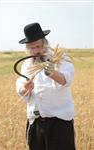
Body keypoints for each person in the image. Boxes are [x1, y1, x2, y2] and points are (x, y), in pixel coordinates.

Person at [16, 22, 76, 150]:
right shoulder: (27, 64)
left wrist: (52, 73)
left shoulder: (60, 58)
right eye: (32, 48)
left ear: (45, 43)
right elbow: (20, 87)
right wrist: (25, 88)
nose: (36, 51)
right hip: (35, 122)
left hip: (59, 122)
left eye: (38, 46)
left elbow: (67, 80)